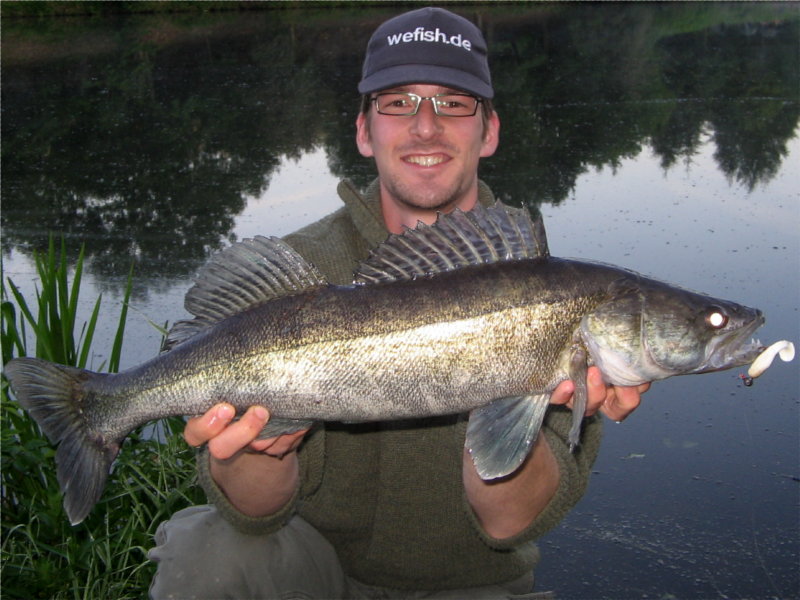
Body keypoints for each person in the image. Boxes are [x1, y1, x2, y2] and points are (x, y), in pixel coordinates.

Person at [148, 7, 648, 599]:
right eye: (398, 102)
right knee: (209, 552)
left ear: (488, 130)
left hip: (471, 584)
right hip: (318, 570)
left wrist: (522, 403)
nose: (427, 126)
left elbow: (509, 522)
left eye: (454, 102)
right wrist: (261, 448)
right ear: (364, 130)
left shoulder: (549, 298)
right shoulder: (296, 278)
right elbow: (253, 512)